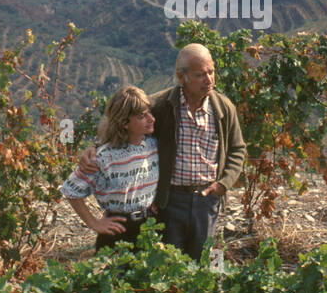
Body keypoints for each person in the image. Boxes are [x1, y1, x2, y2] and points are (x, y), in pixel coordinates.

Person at [79, 44, 246, 261]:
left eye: (211, 72)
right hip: (169, 201)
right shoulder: (160, 106)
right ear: (181, 77)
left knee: (206, 260)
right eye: (200, 75)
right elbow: (123, 125)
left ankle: (211, 292)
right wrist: (95, 147)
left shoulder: (223, 108)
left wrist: (223, 184)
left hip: (207, 200)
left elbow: (238, 148)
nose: (209, 80)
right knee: (168, 263)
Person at [61, 86, 159, 250]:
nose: (151, 119)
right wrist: (95, 223)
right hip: (118, 230)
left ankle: (218, 267)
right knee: (115, 275)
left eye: (150, 112)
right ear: (124, 123)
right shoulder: (104, 157)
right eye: (142, 116)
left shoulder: (152, 144)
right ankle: (218, 266)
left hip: (149, 227)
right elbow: (70, 191)